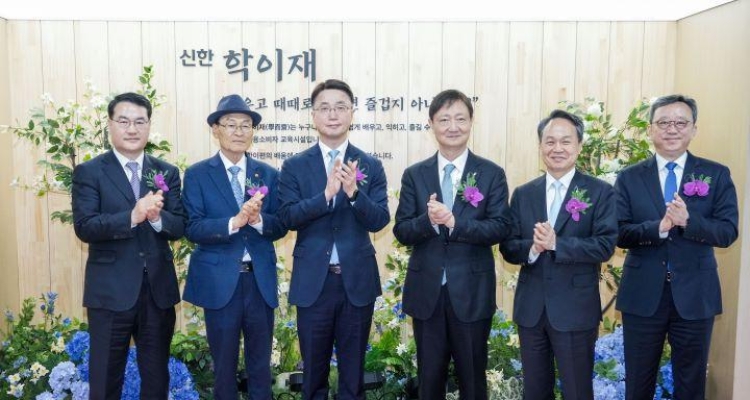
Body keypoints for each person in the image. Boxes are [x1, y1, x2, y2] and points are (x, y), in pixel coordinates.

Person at [615, 94, 739, 399]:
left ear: (694, 129)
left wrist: (688, 221)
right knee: (638, 384)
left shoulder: (715, 174)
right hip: (643, 295)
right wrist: (657, 228)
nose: (672, 129)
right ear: (650, 129)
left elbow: (727, 231)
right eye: (664, 122)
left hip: (695, 295)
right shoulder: (629, 177)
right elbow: (617, 232)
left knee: (691, 385)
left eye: (681, 122)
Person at [393, 89, 511, 399]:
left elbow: (500, 227)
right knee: (429, 380)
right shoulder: (415, 175)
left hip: (472, 293)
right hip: (427, 294)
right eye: (444, 119)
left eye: (460, 118)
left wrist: (455, 222)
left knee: (472, 380)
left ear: (471, 122)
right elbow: (402, 230)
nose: (453, 126)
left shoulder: (491, 174)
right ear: (431, 124)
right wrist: (430, 221)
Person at [277, 79, 389, 400]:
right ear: (313, 115)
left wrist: (354, 193)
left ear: (352, 113)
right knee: (313, 376)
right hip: (314, 283)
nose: (333, 114)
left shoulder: (370, 165)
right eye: (324, 108)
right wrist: (325, 195)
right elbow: (287, 217)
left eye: (341, 107)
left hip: (357, 283)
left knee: (353, 378)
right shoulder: (295, 166)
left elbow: (380, 219)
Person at [72, 92, 185, 399]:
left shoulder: (166, 172)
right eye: (123, 121)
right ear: (110, 124)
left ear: (148, 126)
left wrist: (158, 218)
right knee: (105, 379)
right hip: (110, 293)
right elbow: (85, 226)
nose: (132, 129)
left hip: (157, 292)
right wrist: (132, 216)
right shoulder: (90, 171)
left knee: (156, 379)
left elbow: (179, 225)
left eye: (139, 122)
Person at [499, 109, 618, 399]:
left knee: (577, 391)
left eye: (566, 141)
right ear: (540, 146)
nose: (557, 148)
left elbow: (605, 245)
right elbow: (508, 246)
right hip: (531, 311)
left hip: (575, 311)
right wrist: (533, 248)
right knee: (535, 391)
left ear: (579, 146)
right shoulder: (524, 193)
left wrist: (557, 244)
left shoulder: (600, 192)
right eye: (550, 141)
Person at [182, 94, 287, 400]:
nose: (239, 131)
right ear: (216, 129)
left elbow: (281, 224)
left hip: (259, 281)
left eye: (246, 125)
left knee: (261, 367)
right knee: (224, 368)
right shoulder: (198, 174)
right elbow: (192, 227)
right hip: (220, 283)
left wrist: (257, 221)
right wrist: (235, 221)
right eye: (231, 124)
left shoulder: (268, 174)